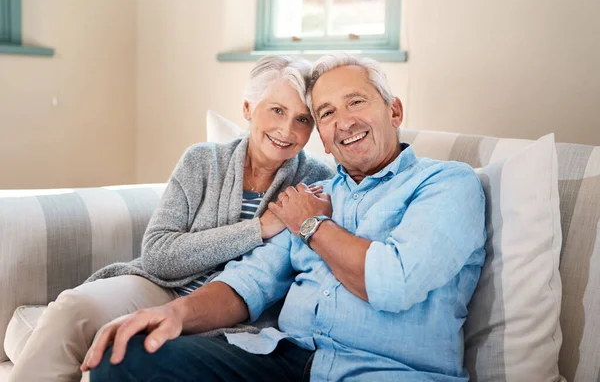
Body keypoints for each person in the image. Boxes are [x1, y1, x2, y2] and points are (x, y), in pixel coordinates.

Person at [84, 53, 487, 382]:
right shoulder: (314, 195)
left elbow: (394, 282)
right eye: (326, 113)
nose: (343, 122)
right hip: (283, 361)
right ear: (324, 140)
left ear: (394, 111)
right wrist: (176, 314)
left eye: (356, 102)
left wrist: (314, 226)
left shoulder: (447, 184)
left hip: (383, 371)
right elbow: (249, 281)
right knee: (125, 359)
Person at [8, 55, 334, 382]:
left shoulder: (316, 180)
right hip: (163, 286)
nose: (287, 130)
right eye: (276, 110)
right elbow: (159, 256)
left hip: (238, 313)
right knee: (71, 308)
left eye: (303, 120)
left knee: (123, 349)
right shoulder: (202, 161)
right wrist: (258, 229)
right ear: (248, 109)